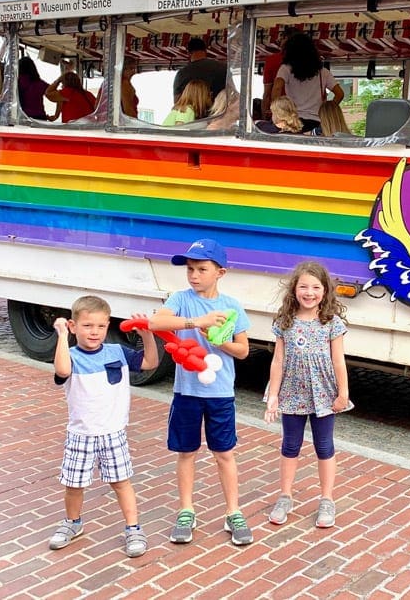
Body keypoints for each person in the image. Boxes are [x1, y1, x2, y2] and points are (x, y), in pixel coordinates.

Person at [149, 238, 253, 546]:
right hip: (187, 392)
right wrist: (198, 322)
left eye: (201, 269)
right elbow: (156, 322)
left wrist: (220, 342)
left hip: (220, 394)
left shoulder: (232, 306)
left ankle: (233, 512)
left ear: (220, 272)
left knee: (224, 453)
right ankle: (186, 510)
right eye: (190, 269)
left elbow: (244, 350)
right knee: (187, 452)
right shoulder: (181, 299)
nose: (194, 275)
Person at [47, 295, 159, 558]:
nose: (94, 332)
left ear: (108, 325)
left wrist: (147, 336)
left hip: (113, 432)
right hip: (81, 434)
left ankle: (133, 527)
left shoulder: (117, 353)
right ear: (74, 327)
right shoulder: (70, 355)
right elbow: (62, 371)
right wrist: (62, 336)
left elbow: (150, 363)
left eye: (100, 326)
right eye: (86, 326)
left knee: (121, 482)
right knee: (74, 484)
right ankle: (72, 523)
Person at [264, 260, 350, 529]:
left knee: (324, 446)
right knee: (290, 445)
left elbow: (339, 361)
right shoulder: (285, 321)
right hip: (292, 392)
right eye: (303, 286)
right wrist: (273, 395)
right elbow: (278, 361)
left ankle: (327, 499)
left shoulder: (331, 323)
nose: (309, 292)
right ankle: (285, 495)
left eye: (315, 287)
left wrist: (343, 393)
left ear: (325, 291)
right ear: (294, 289)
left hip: (324, 394)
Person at [271, 32, 343, 133]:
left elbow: (277, 88)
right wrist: (325, 110)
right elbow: (340, 94)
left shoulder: (286, 69)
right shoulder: (323, 72)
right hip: (316, 122)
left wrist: (277, 112)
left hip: (293, 122)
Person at [172, 37, 227, 102]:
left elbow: (177, 101)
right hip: (219, 110)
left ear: (188, 53)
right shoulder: (222, 67)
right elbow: (231, 93)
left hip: (193, 111)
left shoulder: (182, 74)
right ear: (205, 50)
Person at [260, 29, 290, 121]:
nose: (280, 40)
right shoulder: (309, 62)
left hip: (280, 112)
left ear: (286, 39)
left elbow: (267, 94)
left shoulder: (272, 60)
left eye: (282, 38)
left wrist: (265, 119)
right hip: (302, 112)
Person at [17, 57, 57, 121]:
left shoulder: (17, 82)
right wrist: (56, 115)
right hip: (40, 117)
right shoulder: (40, 83)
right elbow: (57, 94)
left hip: (23, 117)